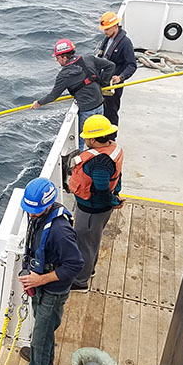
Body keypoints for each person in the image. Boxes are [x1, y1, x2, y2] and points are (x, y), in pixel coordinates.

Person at [5, 177, 84, 365]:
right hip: (40, 287)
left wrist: (41, 279)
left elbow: (75, 265)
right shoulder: (39, 217)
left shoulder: (60, 232)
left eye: (34, 211)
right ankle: (47, 360)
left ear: (47, 206)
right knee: (44, 325)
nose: (30, 215)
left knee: (39, 339)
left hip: (52, 292)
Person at [68, 115, 125, 292]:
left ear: (93, 139)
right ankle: (89, 269)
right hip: (99, 210)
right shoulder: (113, 149)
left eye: (86, 137)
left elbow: (101, 189)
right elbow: (118, 176)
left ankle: (80, 281)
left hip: (92, 210)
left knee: (84, 242)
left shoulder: (98, 162)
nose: (84, 139)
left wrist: (113, 201)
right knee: (93, 240)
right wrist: (116, 194)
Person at [31, 38, 115, 150]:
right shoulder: (88, 58)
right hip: (100, 103)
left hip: (86, 110)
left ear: (65, 57)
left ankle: (80, 163)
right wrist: (103, 83)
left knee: (82, 140)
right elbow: (111, 66)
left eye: (58, 58)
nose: (57, 60)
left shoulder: (64, 75)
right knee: (99, 136)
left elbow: (53, 96)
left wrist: (39, 103)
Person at [98, 11, 137, 138]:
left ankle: (111, 139)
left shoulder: (125, 43)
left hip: (115, 84)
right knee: (102, 111)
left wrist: (121, 77)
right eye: (104, 29)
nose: (105, 32)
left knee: (111, 112)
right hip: (103, 81)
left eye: (107, 29)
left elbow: (132, 65)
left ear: (116, 26)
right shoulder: (107, 39)